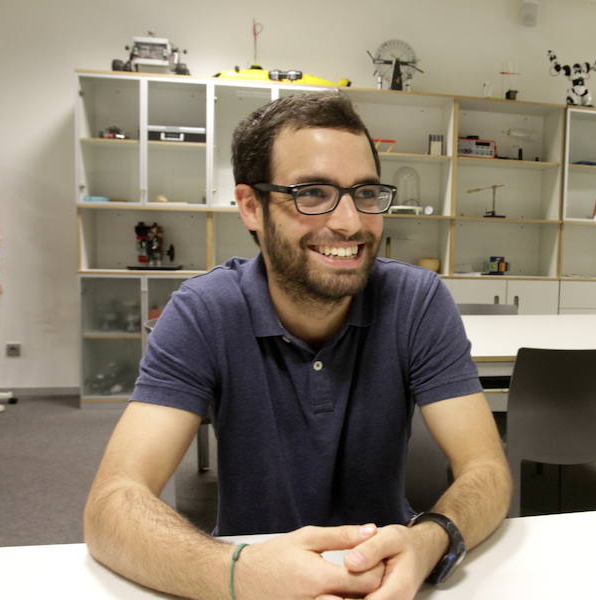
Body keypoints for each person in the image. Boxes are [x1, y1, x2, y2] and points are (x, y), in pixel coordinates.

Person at [84, 92, 511, 600]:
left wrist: (429, 539)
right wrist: (239, 572)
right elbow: (112, 504)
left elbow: (487, 470)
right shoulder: (204, 312)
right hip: (252, 569)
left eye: (366, 192)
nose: (350, 222)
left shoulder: (416, 300)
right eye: (312, 193)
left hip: (389, 574)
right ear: (251, 207)